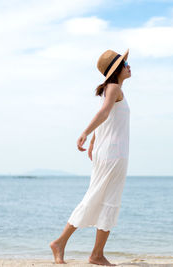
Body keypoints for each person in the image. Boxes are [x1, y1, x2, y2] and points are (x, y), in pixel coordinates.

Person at [50, 48, 131, 265]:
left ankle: (96, 254)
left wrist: (94, 140)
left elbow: (107, 116)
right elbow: (103, 113)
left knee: (106, 200)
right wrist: (85, 134)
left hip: (112, 153)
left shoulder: (111, 89)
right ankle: (61, 243)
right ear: (116, 70)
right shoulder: (113, 87)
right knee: (100, 199)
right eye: (125, 64)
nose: (129, 66)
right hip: (114, 155)